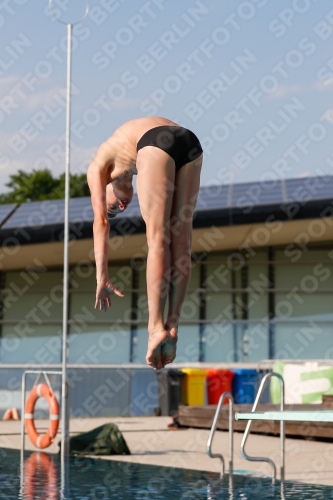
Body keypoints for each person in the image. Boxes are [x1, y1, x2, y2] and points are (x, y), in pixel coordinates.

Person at [87, 117, 203, 370]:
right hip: (189, 142)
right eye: (117, 211)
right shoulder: (127, 162)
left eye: (113, 208)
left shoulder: (98, 167)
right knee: (181, 242)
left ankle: (155, 328)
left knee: (158, 241)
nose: (119, 208)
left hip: (157, 141)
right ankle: (172, 327)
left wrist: (101, 278)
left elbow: (100, 223)